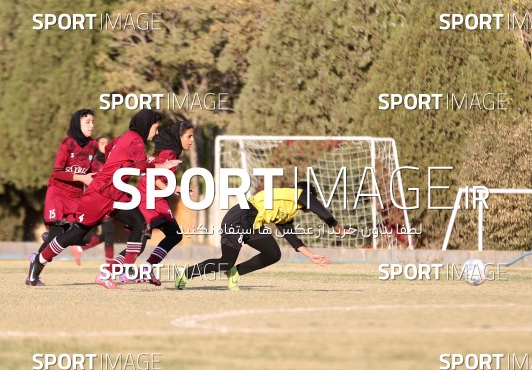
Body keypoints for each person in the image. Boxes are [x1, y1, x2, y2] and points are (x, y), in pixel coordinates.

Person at [26, 109, 180, 289]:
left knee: (139, 224)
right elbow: (140, 167)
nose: (157, 132)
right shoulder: (136, 140)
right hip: (100, 194)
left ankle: (117, 272)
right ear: (146, 125)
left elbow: (108, 149)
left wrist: (114, 166)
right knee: (76, 234)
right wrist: (163, 165)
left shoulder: (125, 137)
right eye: (155, 127)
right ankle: (39, 260)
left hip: (116, 193)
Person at [174, 182, 355, 291]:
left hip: (253, 224)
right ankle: (185, 273)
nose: (313, 202)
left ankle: (235, 273)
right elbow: (319, 209)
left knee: (273, 253)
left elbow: (292, 237)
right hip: (240, 217)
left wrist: (311, 256)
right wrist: (336, 227)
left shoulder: (288, 209)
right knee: (226, 261)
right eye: (312, 198)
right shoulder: (297, 194)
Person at [115, 121, 197, 286]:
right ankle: (141, 268)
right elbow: (152, 175)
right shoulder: (169, 153)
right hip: (152, 200)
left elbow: (154, 174)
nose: (192, 140)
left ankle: (117, 270)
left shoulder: (163, 152)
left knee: (141, 241)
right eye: (189, 136)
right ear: (179, 136)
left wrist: (177, 188)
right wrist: (169, 189)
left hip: (147, 197)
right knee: (174, 234)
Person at [26, 109, 97, 285]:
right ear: (77, 124)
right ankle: (33, 276)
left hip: (76, 196)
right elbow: (57, 172)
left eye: (93, 122)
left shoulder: (93, 145)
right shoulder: (67, 143)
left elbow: (89, 172)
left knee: (85, 236)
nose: (92, 126)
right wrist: (81, 177)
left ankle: (50, 241)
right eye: (87, 122)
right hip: (57, 193)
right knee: (54, 237)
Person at [70, 135, 116, 265]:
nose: (105, 145)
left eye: (107, 143)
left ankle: (79, 248)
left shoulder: (113, 161)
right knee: (109, 232)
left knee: (108, 234)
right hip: (98, 200)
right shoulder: (93, 162)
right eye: (102, 143)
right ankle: (110, 265)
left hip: (110, 199)